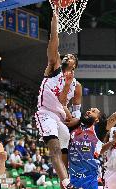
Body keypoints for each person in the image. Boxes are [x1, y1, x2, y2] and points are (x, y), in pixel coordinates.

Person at [34, 11, 81, 189]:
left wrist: (75, 118)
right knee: (53, 148)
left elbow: (72, 112)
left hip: (61, 119)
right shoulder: (54, 67)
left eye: (71, 57)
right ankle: (67, 183)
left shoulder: (76, 85)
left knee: (64, 149)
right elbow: (54, 42)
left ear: (75, 65)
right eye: (66, 56)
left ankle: (64, 182)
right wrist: (55, 20)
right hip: (45, 112)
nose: (67, 57)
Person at [66, 72, 116, 189]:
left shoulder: (99, 129)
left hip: (90, 179)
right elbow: (75, 99)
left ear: (97, 119)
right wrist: (69, 82)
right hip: (72, 178)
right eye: (89, 110)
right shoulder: (75, 124)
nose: (88, 111)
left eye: (93, 111)